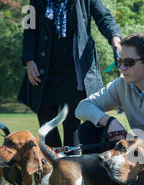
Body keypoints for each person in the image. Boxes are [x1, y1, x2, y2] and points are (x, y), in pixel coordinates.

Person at [18, 0, 122, 149]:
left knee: (72, 128)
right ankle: (53, 169)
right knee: (47, 128)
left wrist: (114, 37)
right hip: (43, 73)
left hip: (75, 73)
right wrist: (29, 60)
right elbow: (28, 29)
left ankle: (71, 168)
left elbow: (104, 16)